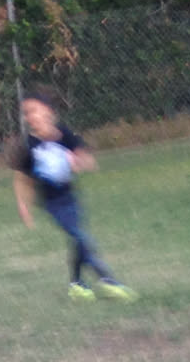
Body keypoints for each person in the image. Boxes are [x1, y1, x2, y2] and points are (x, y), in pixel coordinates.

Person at [13, 93, 135, 304]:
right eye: (26, 113)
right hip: (52, 204)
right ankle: (108, 280)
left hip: (70, 198)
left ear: (48, 111)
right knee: (81, 237)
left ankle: (77, 285)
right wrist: (23, 205)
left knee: (78, 241)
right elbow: (22, 179)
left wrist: (80, 161)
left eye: (34, 110)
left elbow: (87, 160)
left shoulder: (64, 134)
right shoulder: (29, 145)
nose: (30, 116)